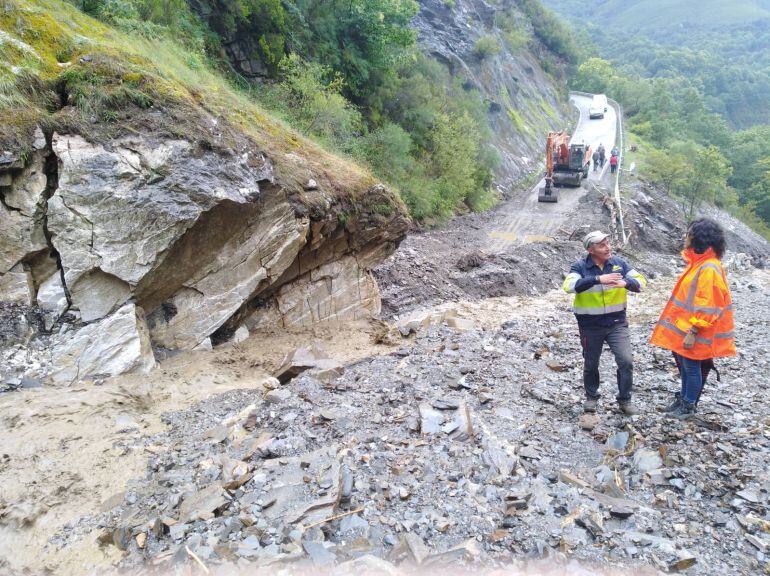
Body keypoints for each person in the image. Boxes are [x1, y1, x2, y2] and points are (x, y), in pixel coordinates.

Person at [649, 218, 735, 420]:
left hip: (696, 331)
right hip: (687, 328)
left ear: (699, 238)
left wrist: (694, 331)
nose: (685, 237)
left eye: (688, 234)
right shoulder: (700, 264)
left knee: (692, 368)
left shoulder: (708, 268)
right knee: (686, 366)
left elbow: (708, 304)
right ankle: (684, 400)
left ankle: (688, 406)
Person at [563, 231, 647, 415]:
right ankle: (591, 397)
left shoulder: (619, 264)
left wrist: (625, 283)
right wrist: (597, 279)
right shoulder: (579, 267)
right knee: (591, 363)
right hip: (590, 326)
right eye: (602, 245)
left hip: (617, 323)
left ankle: (625, 400)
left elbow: (641, 282)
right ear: (590, 250)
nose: (608, 247)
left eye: (608, 243)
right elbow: (569, 287)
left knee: (626, 361)